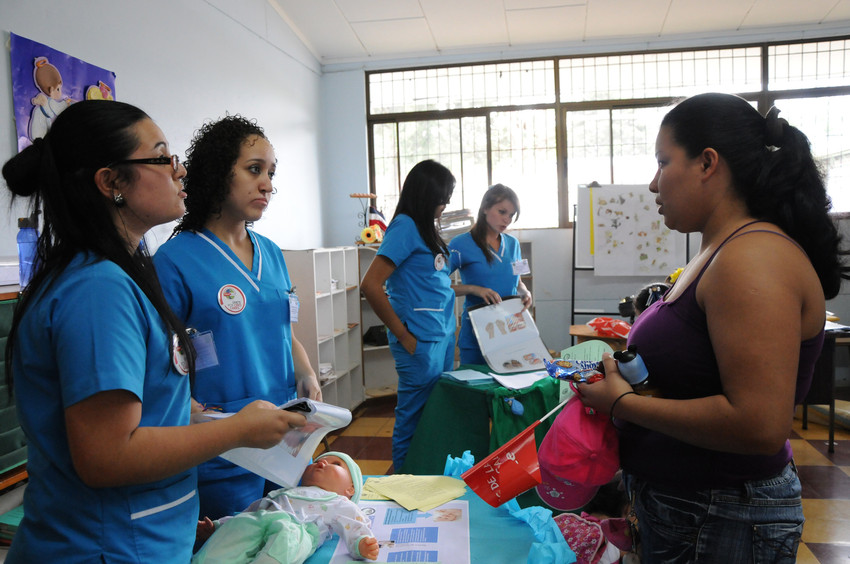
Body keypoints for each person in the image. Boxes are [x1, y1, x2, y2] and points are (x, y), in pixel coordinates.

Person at [0, 100, 307, 563]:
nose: (179, 170)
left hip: (147, 534)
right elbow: (108, 455)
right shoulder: (98, 289)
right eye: (162, 156)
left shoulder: (120, 277)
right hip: (108, 545)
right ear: (111, 182)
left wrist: (199, 416)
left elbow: (139, 408)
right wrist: (236, 430)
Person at [576, 92, 849, 563]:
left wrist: (622, 403)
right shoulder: (720, 251)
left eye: (664, 162)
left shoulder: (751, 259)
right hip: (690, 510)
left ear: (707, 163)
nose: (653, 183)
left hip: (720, 515)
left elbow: (759, 424)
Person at [154, 115, 321, 521]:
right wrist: (193, 412)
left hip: (284, 439)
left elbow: (282, 330)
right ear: (216, 173)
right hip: (223, 450)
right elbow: (158, 359)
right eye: (253, 169)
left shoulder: (272, 253)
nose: (267, 184)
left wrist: (306, 372)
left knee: (287, 536)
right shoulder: (175, 260)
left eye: (270, 173)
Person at [360, 159, 457, 471]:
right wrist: (403, 335)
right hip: (418, 339)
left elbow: (433, 279)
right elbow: (371, 285)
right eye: (443, 198)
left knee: (434, 412)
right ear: (427, 195)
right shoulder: (405, 226)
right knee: (412, 416)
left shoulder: (426, 229)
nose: (446, 204)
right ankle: (402, 483)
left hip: (438, 335)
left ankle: (424, 476)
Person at [192, 451, 378, 563]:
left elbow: (354, 524)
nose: (322, 462)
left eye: (336, 464)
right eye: (318, 460)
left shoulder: (338, 502)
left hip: (299, 529)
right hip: (261, 520)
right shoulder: (283, 492)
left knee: (285, 539)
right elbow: (249, 512)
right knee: (239, 528)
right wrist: (219, 527)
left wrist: (361, 543)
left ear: (350, 489)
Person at [448, 184, 532, 365]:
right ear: (485, 208)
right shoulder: (460, 244)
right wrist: (473, 289)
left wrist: (525, 292)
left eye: (511, 215)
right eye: (502, 212)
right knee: (477, 389)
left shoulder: (513, 244)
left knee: (509, 388)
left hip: (510, 331)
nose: (507, 219)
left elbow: (519, 280)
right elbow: (435, 284)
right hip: (477, 331)